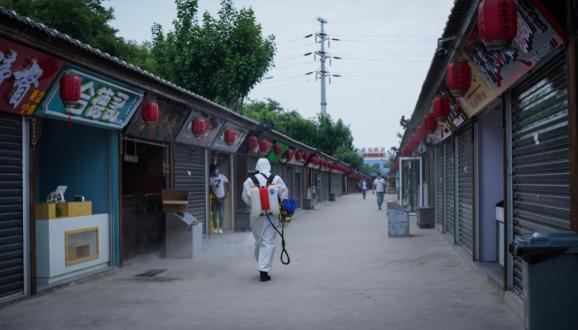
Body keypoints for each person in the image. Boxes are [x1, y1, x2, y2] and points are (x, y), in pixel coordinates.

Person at [242, 158, 289, 282]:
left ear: (257, 166)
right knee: (269, 241)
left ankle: (261, 264)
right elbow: (284, 193)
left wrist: (256, 205)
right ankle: (264, 270)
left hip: (255, 215)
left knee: (259, 241)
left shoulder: (249, 180)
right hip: (271, 214)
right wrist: (283, 207)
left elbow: (245, 198)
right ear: (268, 166)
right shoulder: (276, 178)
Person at [209, 164, 229, 234]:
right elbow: (211, 189)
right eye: (215, 169)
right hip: (214, 199)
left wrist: (226, 194)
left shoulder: (222, 176)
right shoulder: (211, 178)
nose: (216, 170)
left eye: (217, 169)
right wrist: (216, 197)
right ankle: (215, 228)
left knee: (221, 214)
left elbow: (227, 184)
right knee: (214, 214)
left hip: (222, 199)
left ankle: (220, 228)